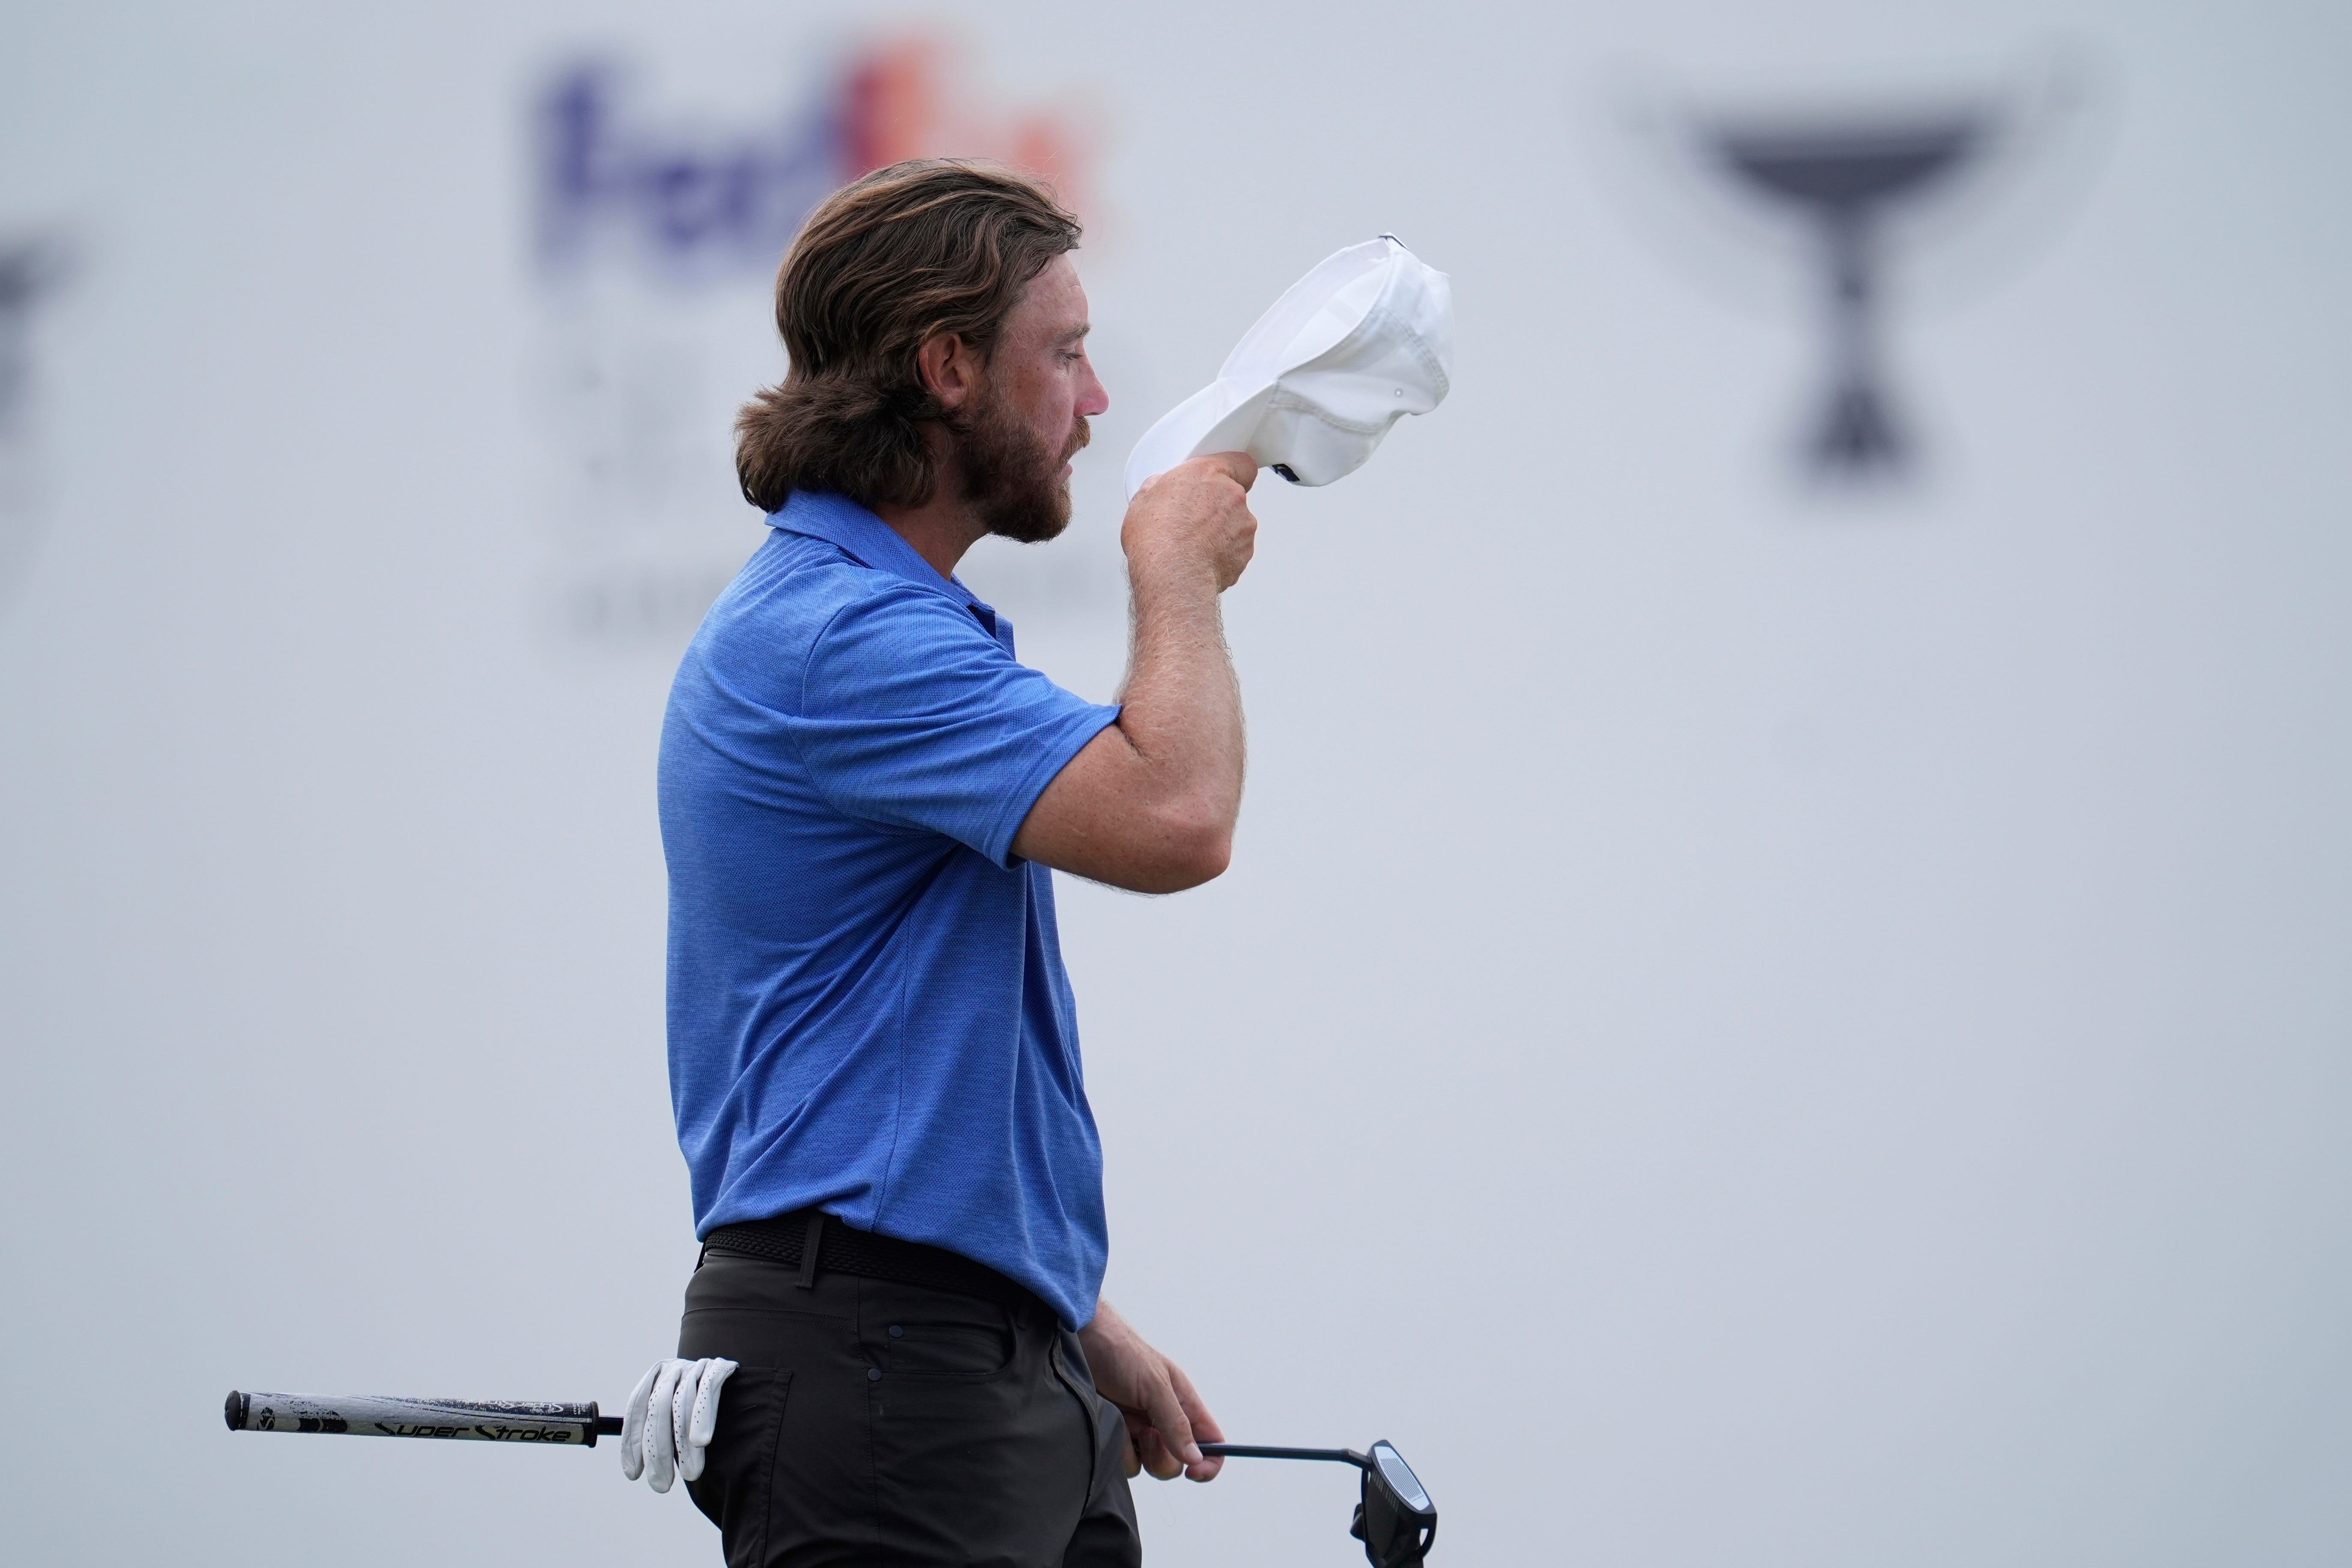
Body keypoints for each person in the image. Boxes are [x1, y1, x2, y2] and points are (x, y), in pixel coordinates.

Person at [634, 158, 1259, 1567]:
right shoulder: (837, 639)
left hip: (969, 1358)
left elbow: (895, 1081)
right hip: (880, 1368)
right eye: (1069, 353)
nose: (1095, 402)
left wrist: (1065, 1315)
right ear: (948, 367)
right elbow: (1179, 822)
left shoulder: (878, 621)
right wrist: (1171, 569)